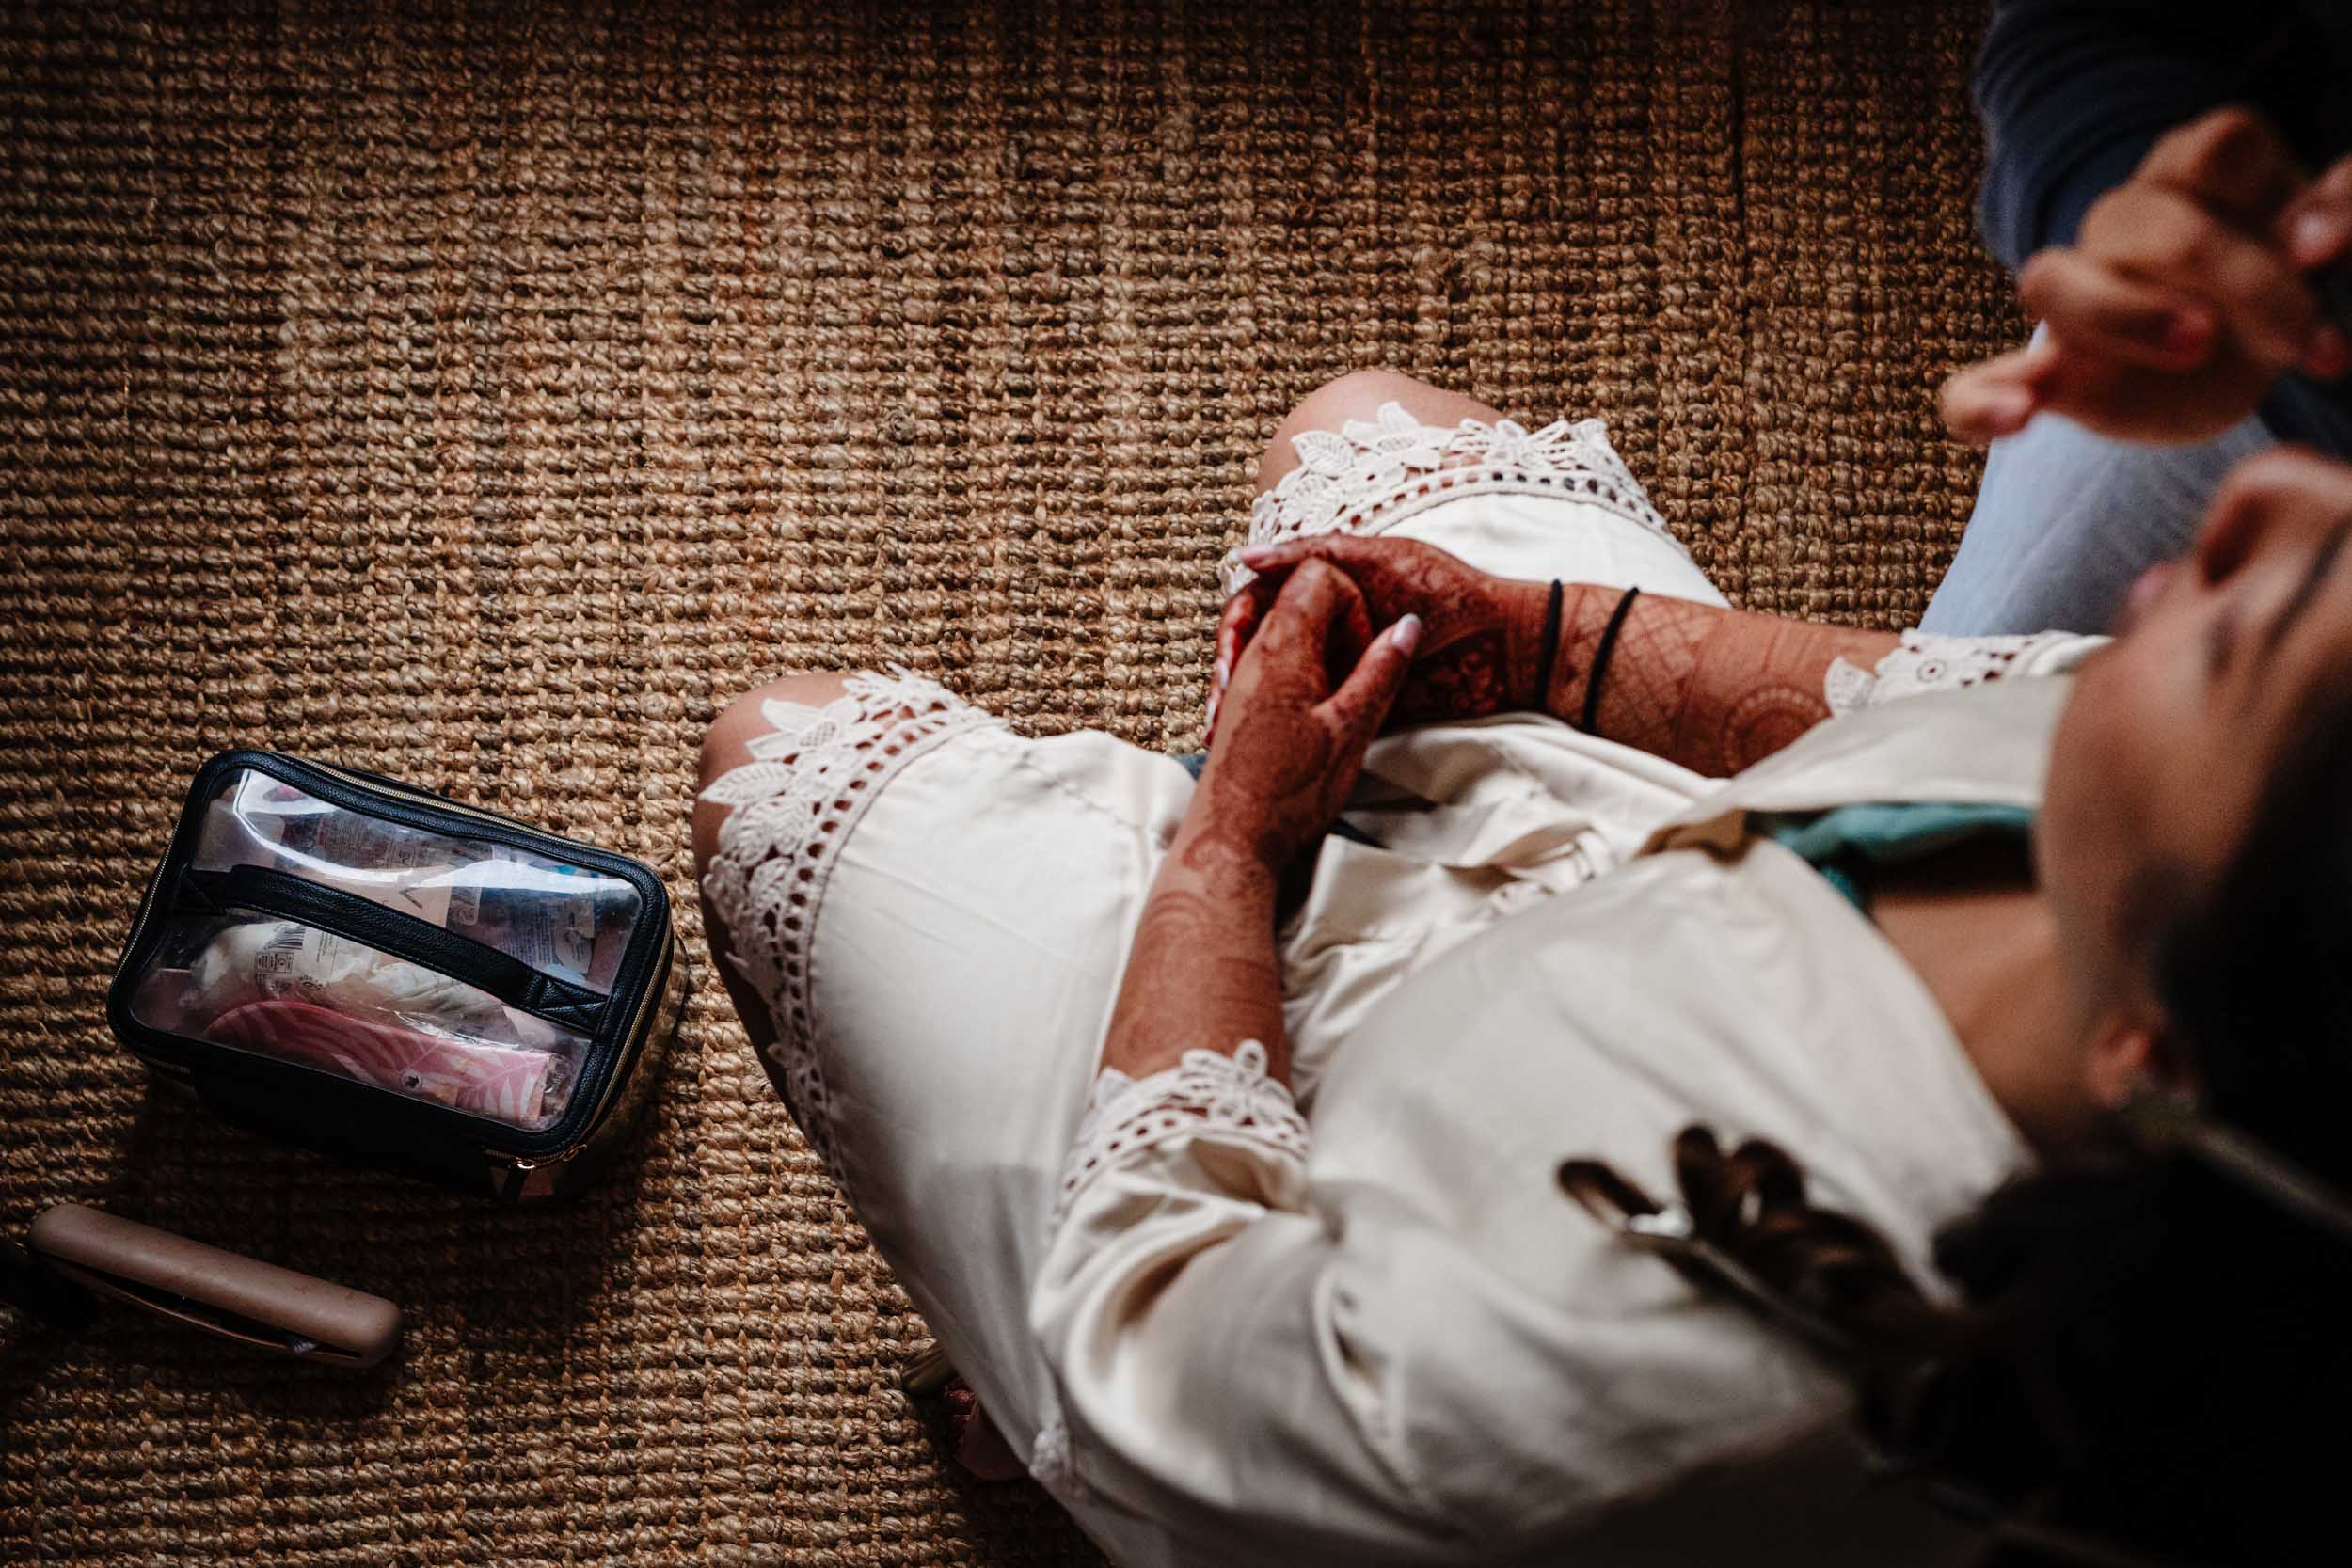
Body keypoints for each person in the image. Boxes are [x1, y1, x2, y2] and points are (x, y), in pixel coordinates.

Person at [694, 272, 2352, 1559]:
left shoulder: (1667, 1364)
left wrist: (1232, 852)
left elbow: (1165, 1357)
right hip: (1641, 878)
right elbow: (1954, 697)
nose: (2277, 500)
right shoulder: (2229, 924)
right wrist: (1547, 645)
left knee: (773, 773)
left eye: (2243, 653)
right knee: (1368, 426)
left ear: (2156, 1057)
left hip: (1312, 1252)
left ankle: (1017, 1363)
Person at [1923, 0, 2352, 635]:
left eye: (2223, 653)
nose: (2155, 592)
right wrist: (2133, 220)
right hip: (2236, 342)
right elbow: (2076, 33)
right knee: (1942, 705)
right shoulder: (2198, 330)